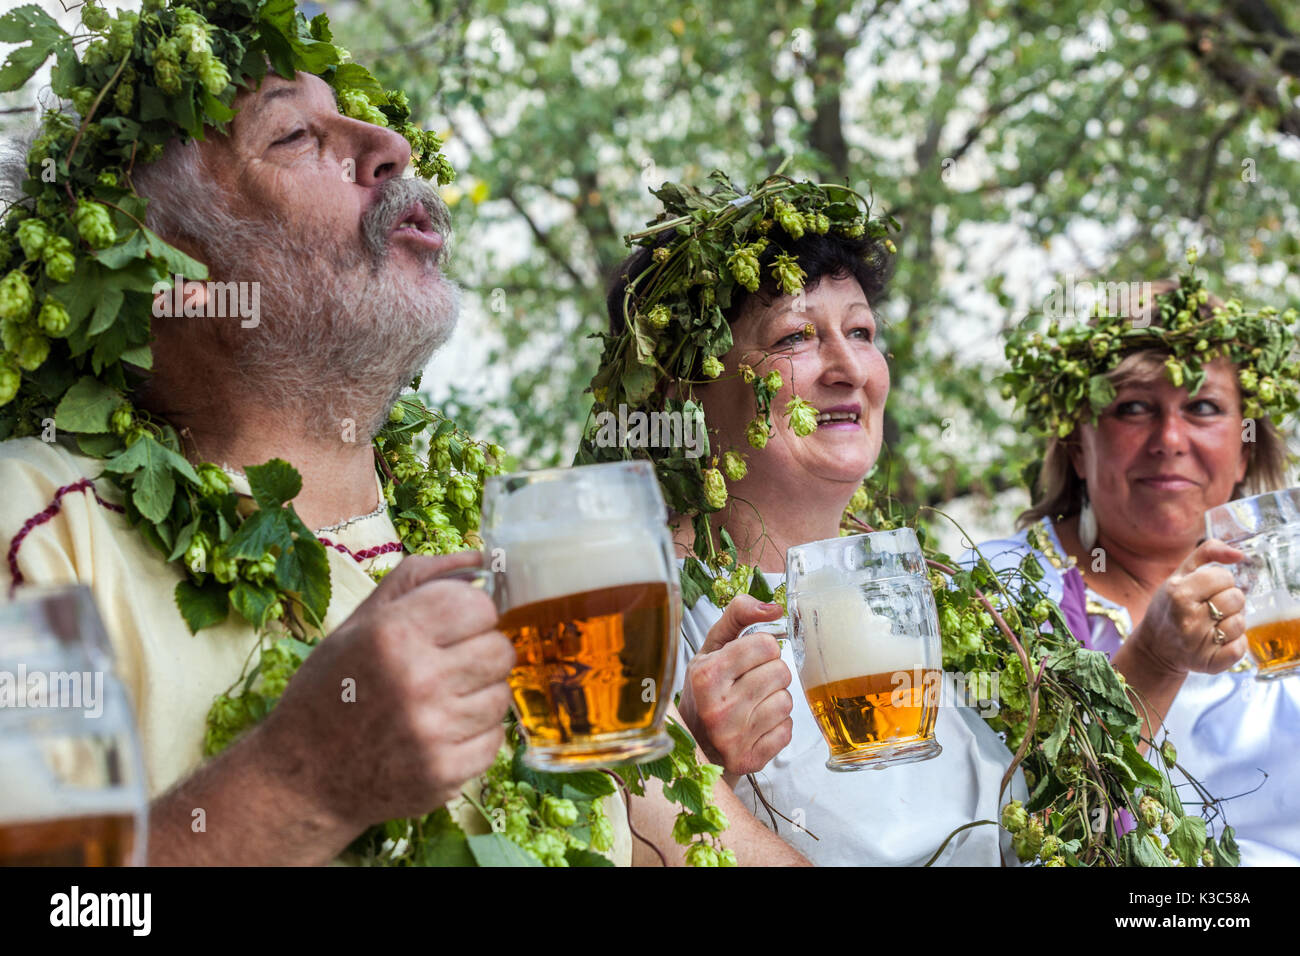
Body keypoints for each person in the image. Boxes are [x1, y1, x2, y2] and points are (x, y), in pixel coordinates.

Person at [0, 1, 805, 867]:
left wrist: (675, 761)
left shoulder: (525, 555)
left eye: (364, 124)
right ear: (166, 271)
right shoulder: (48, 524)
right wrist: (302, 782)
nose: (392, 148)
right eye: (294, 138)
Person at [584, 172, 1025, 865]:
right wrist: (700, 766)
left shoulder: (936, 593)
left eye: (860, 330)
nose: (850, 367)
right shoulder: (625, 622)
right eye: (795, 337)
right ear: (679, 386)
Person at [971, 276, 1300, 865]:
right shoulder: (990, 591)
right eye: (1134, 409)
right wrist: (1156, 659)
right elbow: (1013, 837)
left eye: (1202, 407)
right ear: (1076, 444)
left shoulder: (1286, 591)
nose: (1169, 439)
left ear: (1246, 447)